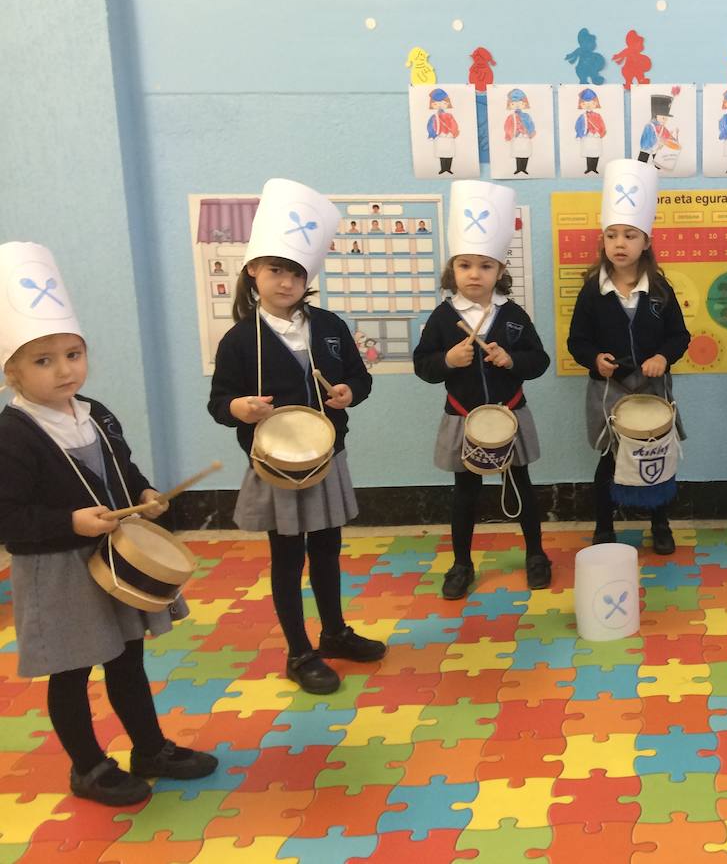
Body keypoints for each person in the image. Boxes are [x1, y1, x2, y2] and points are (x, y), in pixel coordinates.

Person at [0, 243, 216, 806]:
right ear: (11, 371)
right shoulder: (12, 434)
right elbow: (9, 517)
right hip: (55, 570)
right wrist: (69, 521)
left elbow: (122, 464)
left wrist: (143, 493)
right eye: (43, 361)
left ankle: (150, 748)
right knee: (71, 671)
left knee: (127, 657)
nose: (64, 370)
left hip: (116, 556)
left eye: (73, 354)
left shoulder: (94, 412)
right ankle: (89, 767)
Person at [207, 179, 385, 696]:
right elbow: (219, 403)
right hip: (276, 466)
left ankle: (334, 632)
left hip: (327, 457)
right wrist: (240, 408)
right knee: (288, 558)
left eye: (296, 273)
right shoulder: (240, 340)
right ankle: (299, 651)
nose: (286, 282)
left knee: (328, 549)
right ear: (253, 271)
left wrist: (351, 392)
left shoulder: (328, 325)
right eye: (276, 270)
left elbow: (360, 378)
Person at [413, 181, 551, 599]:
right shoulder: (442, 318)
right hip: (463, 417)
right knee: (465, 494)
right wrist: (447, 361)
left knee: (522, 486)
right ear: (452, 270)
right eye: (465, 265)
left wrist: (512, 360)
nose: (475, 274)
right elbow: (423, 367)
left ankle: (536, 554)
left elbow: (539, 361)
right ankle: (461, 563)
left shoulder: (513, 315)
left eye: (485, 266)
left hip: (511, 413)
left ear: (500, 271)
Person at [567, 160, 689, 553]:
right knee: (610, 460)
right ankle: (604, 526)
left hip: (652, 389)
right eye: (612, 235)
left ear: (646, 241)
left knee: (656, 455)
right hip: (609, 391)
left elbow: (680, 336)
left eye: (630, 235)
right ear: (603, 240)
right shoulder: (593, 291)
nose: (620, 243)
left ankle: (660, 523)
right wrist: (594, 360)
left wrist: (664, 357)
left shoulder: (660, 290)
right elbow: (577, 341)